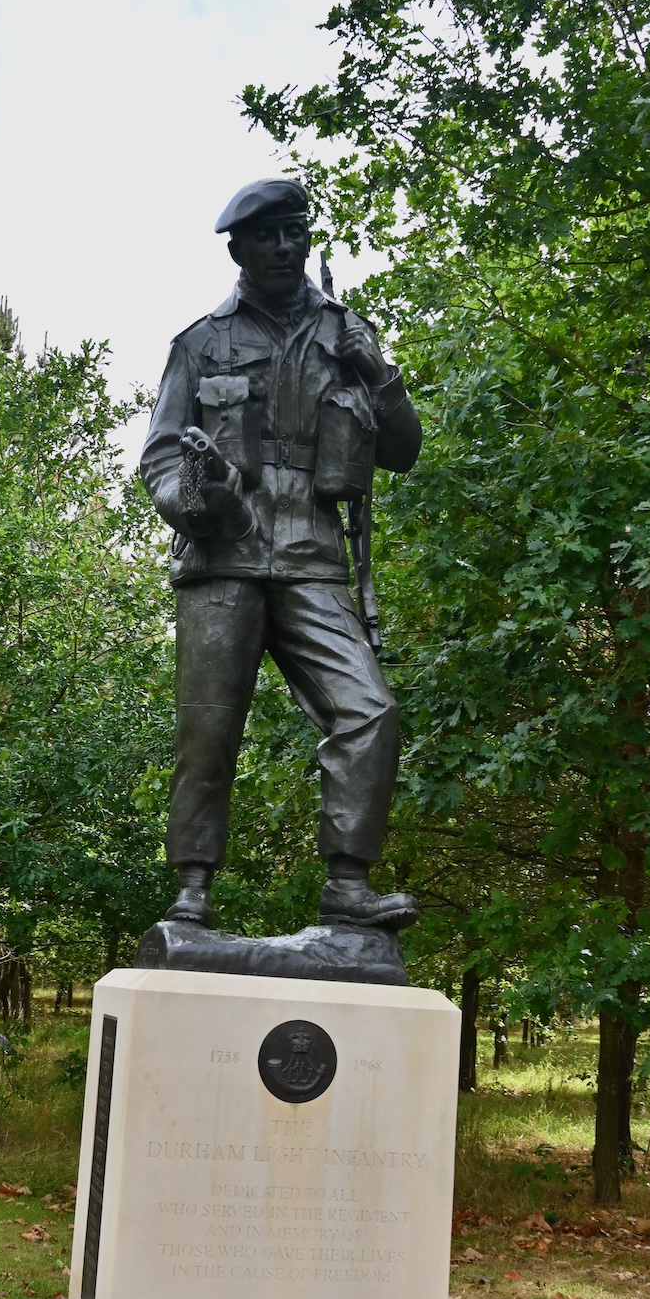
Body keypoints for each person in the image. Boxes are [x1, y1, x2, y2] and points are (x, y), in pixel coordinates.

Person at [140, 178, 422, 930]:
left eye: (294, 232)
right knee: (208, 730)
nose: (283, 247)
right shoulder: (201, 343)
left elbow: (403, 452)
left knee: (369, 711)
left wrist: (380, 374)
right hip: (221, 558)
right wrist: (196, 500)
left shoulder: (346, 333)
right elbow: (160, 458)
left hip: (313, 558)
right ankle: (193, 888)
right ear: (237, 249)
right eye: (266, 236)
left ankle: (348, 886)